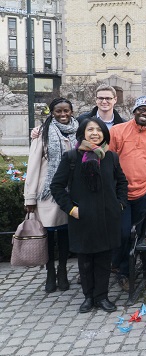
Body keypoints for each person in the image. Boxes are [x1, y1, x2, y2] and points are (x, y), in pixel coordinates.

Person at [50, 118, 128, 313]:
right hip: (82, 218)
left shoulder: (111, 157)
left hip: (107, 217)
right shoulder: (72, 157)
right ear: (82, 133)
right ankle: (88, 296)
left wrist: (119, 204)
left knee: (103, 259)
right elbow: (57, 186)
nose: (95, 133)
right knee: (85, 261)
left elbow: (122, 183)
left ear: (104, 133)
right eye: (90, 129)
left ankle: (102, 296)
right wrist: (71, 209)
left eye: (99, 130)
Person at [109, 96, 146, 291]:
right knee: (123, 233)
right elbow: (108, 160)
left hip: (143, 193)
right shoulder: (117, 131)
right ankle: (121, 270)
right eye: (140, 109)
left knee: (136, 236)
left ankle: (126, 270)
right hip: (121, 194)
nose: (144, 113)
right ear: (134, 111)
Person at [24, 98, 79, 293]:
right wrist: (30, 198)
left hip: (69, 192)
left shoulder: (78, 130)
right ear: (52, 113)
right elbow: (33, 166)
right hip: (46, 193)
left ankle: (62, 270)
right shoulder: (43, 133)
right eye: (58, 111)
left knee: (64, 234)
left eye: (66, 111)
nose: (63, 115)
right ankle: (49, 273)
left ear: (72, 112)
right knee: (48, 234)